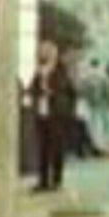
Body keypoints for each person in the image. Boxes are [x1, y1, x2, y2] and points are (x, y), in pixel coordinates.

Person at [29, 41, 75, 192]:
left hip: (57, 115)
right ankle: (43, 181)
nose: (43, 55)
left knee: (56, 148)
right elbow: (32, 89)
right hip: (42, 114)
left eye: (46, 52)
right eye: (42, 52)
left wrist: (51, 91)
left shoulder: (61, 71)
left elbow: (68, 90)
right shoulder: (39, 71)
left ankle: (56, 180)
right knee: (42, 148)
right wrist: (37, 91)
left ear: (53, 55)